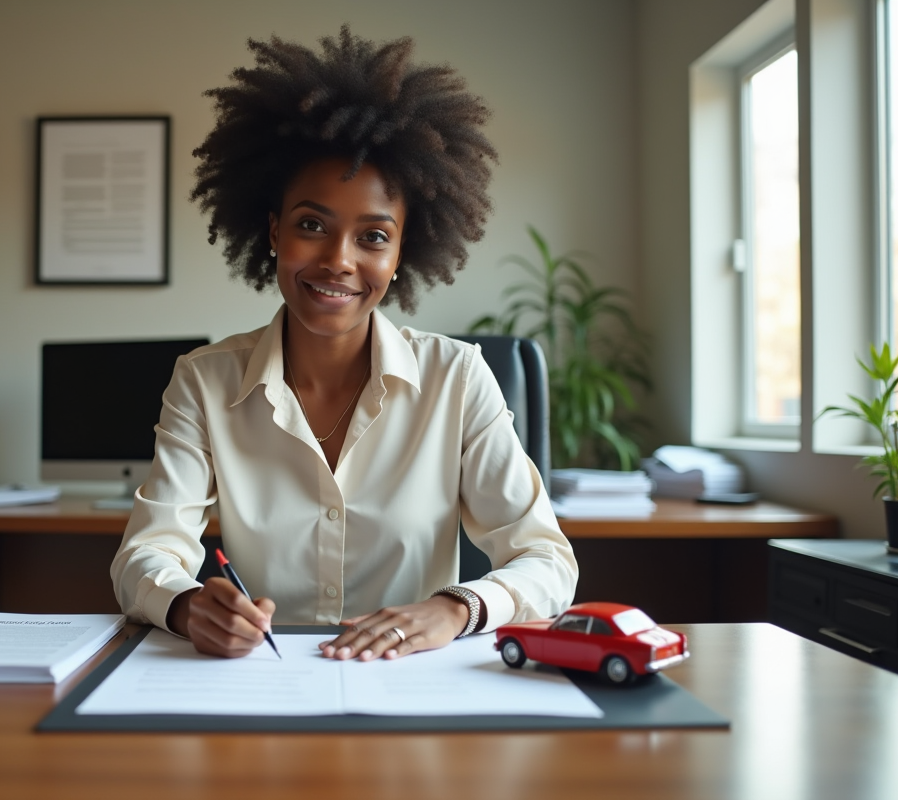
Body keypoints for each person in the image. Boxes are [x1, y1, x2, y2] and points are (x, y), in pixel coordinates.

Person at [110, 26, 576, 662]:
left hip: (414, 687)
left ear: (402, 251)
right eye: (311, 225)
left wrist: (455, 608)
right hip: (260, 685)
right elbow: (147, 552)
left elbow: (546, 559)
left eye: (373, 236)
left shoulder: (458, 377)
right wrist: (188, 606)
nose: (338, 260)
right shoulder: (204, 381)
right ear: (273, 231)